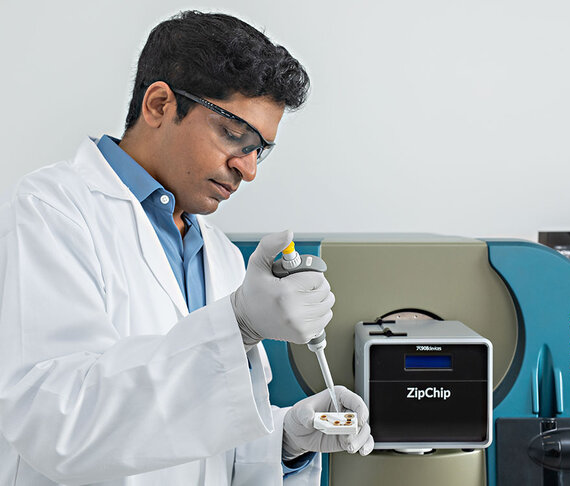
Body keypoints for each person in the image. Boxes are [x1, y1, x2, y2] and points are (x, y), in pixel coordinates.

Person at [0, 11, 373, 486]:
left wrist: (284, 440)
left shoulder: (219, 254)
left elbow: (206, 438)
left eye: (260, 149)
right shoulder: (50, 212)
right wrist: (237, 326)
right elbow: (58, 423)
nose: (248, 170)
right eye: (235, 135)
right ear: (159, 105)